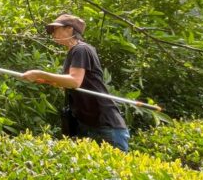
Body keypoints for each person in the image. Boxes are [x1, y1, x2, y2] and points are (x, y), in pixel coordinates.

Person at [21, 13, 130, 152]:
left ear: (70, 29)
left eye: (56, 29)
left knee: (114, 172)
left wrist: (40, 73)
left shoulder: (81, 49)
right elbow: (74, 84)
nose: (53, 33)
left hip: (105, 125)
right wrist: (47, 80)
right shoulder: (73, 52)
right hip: (87, 124)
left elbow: (75, 82)